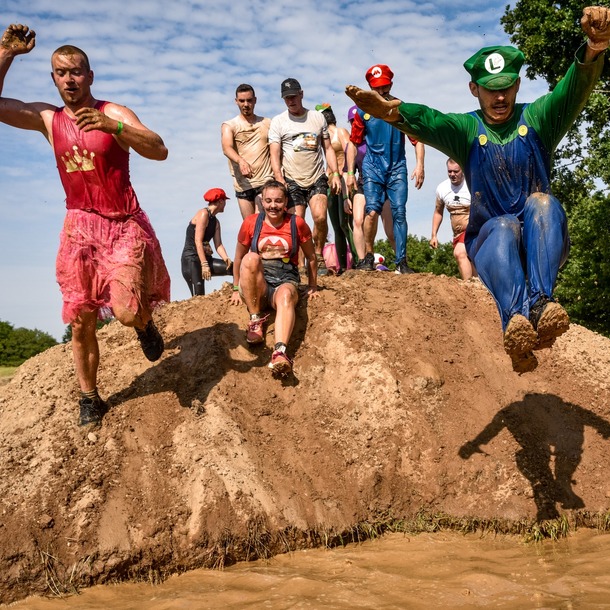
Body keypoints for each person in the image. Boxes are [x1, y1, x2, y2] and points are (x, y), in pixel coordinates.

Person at [345, 6, 610, 372]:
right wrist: (394, 112)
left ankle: (539, 306)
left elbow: (571, 92)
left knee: (543, 202)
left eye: (506, 89)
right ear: (474, 89)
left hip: (541, 238)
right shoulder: (467, 130)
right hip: (491, 243)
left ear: (517, 85)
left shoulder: (537, 119)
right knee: (502, 226)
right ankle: (517, 326)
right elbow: (432, 120)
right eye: (489, 91)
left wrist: (594, 47)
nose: (499, 99)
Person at [0, 24, 171, 426]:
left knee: (126, 312)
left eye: (76, 71)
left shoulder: (113, 113)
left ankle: (143, 324)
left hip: (123, 224)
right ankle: (90, 397)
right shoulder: (48, 118)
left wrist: (114, 128)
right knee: (80, 319)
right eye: (61, 72)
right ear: (54, 78)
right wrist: (5, 53)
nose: (69, 78)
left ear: (89, 76)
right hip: (79, 227)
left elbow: (159, 149)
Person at [230, 180, 319, 376]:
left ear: (286, 201)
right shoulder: (251, 223)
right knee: (251, 258)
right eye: (268, 200)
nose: (273, 206)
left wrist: (312, 285)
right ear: (262, 202)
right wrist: (236, 289)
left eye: (278, 201)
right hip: (258, 285)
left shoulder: (297, 223)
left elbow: (311, 257)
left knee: (286, 295)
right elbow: (238, 258)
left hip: (286, 279)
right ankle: (255, 319)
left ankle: (280, 352)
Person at [346, 64, 425, 274]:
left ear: (390, 84)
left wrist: (420, 165)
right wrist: (349, 173)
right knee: (371, 211)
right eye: (376, 87)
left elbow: (417, 139)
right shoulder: (363, 112)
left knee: (399, 212)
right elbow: (353, 143)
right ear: (370, 87)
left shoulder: (401, 108)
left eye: (384, 86)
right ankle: (369, 256)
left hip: (397, 166)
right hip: (372, 167)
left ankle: (402, 261)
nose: (381, 91)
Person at [269, 78, 342, 275]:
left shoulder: (317, 118)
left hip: (316, 176)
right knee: (297, 221)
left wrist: (334, 173)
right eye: (286, 98)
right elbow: (274, 152)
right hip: (291, 178)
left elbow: (328, 148)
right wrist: (278, 177)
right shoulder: (278, 122)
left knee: (319, 217)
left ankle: (317, 257)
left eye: (293, 96)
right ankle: (298, 265)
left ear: (301, 94)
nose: (291, 101)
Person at [346, 104, 396, 262]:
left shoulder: (378, 138)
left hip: (384, 185)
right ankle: (363, 260)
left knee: (390, 230)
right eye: (352, 122)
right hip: (363, 184)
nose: (355, 124)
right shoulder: (352, 145)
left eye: (357, 120)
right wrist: (345, 198)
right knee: (358, 220)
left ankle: (401, 260)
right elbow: (347, 171)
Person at [221, 83, 273, 219]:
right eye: (242, 101)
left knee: (260, 220)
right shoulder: (230, 125)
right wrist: (241, 161)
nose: (246, 104)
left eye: (249, 100)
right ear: (236, 101)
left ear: (255, 100)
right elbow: (227, 148)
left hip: (265, 180)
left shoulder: (267, 123)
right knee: (249, 226)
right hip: (243, 183)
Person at [315, 102, 356, 274]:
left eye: (328, 112)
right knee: (336, 227)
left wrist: (347, 174)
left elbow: (350, 151)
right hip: (330, 183)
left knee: (345, 223)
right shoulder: (319, 136)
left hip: (344, 179)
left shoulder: (340, 132)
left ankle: (358, 260)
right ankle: (342, 266)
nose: (328, 116)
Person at [181, 188, 233, 296]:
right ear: (220, 201)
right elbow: (198, 241)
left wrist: (226, 259)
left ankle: (238, 292)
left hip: (205, 259)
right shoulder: (203, 214)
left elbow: (218, 245)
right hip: (192, 260)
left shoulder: (216, 222)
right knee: (198, 296)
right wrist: (204, 265)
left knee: (234, 269)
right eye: (225, 201)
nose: (225, 205)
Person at [430, 159, 474, 280]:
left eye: (456, 171)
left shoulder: (471, 184)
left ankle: (468, 286)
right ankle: (477, 290)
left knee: (459, 253)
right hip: (457, 233)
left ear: (463, 171)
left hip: (473, 229)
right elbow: (438, 212)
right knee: (470, 263)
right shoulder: (442, 188)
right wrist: (434, 235)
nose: (452, 174)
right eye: (449, 171)